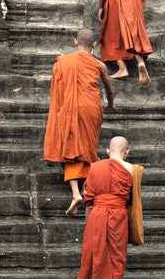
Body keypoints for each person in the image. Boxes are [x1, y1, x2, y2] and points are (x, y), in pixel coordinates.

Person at [43, 29, 116, 217]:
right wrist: (110, 104)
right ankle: (85, 188)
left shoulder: (62, 62)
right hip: (91, 108)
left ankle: (76, 193)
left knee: (70, 145)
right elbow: (109, 89)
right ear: (94, 45)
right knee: (87, 146)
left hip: (68, 107)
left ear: (75, 42)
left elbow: (58, 88)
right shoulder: (100, 65)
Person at [76, 135, 143, 279]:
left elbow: (88, 198)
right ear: (127, 152)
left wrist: (89, 224)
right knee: (116, 262)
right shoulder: (133, 170)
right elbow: (134, 202)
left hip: (96, 215)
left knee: (97, 255)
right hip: (117, 216)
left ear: (107, 151)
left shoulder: (95, 167)